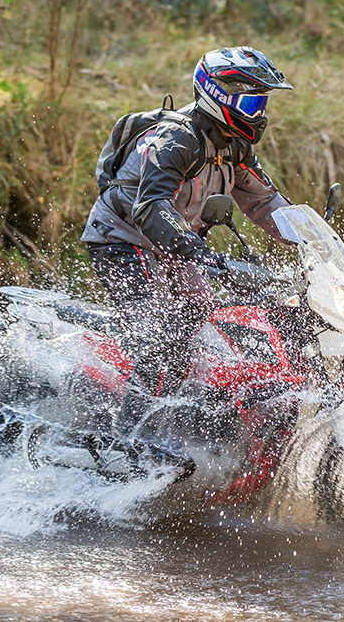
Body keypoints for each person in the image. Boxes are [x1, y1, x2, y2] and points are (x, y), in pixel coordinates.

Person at [81, 46, 294, 439]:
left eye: (261, 101)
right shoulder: (176, 138)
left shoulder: (235, 147)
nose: (258, 112)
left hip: (175, 246)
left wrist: (315, 244)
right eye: (250, 100)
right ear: (217, 95)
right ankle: (128, 437)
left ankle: (181, 418)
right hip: (125, 240)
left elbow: (266, 202)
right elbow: (150, 205)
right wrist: (200, 252)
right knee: (162, 329)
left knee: (204, 320)